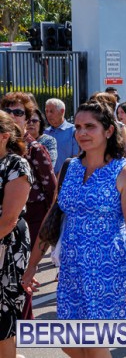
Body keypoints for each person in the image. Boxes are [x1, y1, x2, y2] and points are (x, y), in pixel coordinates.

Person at [22, 101, 126, 357]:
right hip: (71, 270)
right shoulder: (72, 167)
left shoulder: (124, 172)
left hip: (107, 272)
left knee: (93, 345)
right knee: (69, 342)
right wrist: (32, 264)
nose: (82, 133)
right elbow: (52, 219)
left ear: (109, 131)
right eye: (78, 127)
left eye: (90, 126)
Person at [2, 93, 57, 320]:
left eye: (19, 112)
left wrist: (48, 227)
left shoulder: (34, 149)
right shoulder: (5, 145)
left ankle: (17, 336)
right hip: (7, 218)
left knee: (22, 277)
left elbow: (52, 190)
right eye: (9, 111)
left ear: (27, 117)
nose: (14, 116)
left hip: (31, 219)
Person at [0, 112, 32, 358]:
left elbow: (9, 219)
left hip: (6, 246)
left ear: (4, 137)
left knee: (2, 317)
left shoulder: (15, 164)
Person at [44, 98, 79, 174]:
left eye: (51, 111)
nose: (48, 115)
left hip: (66, 177)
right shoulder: (44, 133)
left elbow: (76, 158)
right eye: (46, 111)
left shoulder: (73, 131)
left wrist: (61, 176)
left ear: (62, 111)